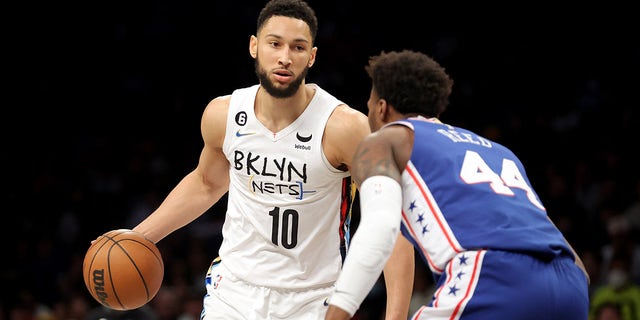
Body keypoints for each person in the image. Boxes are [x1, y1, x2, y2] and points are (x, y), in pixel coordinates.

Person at [114, 1, 415, 319]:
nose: (285, 57)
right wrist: (138, 236)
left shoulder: (344, 127)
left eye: (298, 47)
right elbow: (207, 183)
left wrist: (395, 316)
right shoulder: (224, 114)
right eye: (275, 43)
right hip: (233, 293)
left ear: (311, 56)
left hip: (314, 299)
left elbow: (390, 223)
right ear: (254, 46)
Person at [324, 50, 591, 319]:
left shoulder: (385, 141)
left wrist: (337, 313)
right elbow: (576, 261)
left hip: (492, 276)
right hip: (571, 285)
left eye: (369, 103)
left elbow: (379, 227)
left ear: (381, 107)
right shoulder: (499, 152)